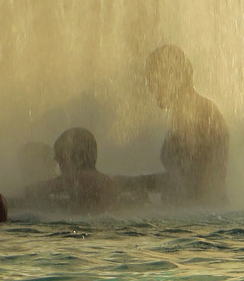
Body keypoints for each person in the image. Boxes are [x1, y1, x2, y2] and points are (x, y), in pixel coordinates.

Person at [138, 44, 229, 205]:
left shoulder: (196, 114)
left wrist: (130, 184)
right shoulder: (192, 110)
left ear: (172, 77)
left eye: (153, 80)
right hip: (201, 213)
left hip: (199, 219)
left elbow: (189, 180)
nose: (150, 88)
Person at [25, 127, 119, 214]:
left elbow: (34, 191)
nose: (57, 161)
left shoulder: (75, 178)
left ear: (71, 156)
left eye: (59, 156)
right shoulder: (107, 180)